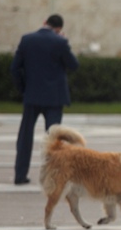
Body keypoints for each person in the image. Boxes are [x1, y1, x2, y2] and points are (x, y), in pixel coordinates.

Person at [10, 14, 79, 186]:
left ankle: (20, 175)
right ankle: (53, 177)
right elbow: (73, 65)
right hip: (54, 98)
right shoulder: (60, 42)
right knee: (54, 140)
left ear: (44, 23)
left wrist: (24, 89)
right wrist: (65, 43)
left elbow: (14, 68)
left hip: (32, 96)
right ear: (59, 29)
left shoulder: (27, 40)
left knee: (25, 136)